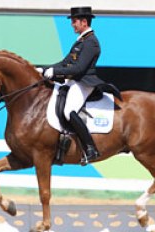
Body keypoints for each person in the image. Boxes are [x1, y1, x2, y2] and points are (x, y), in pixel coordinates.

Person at [36, 6, 121, 165]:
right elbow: (65, 62)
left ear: (84, 22)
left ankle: (90, 148)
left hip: (84, 82)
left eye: (74, 21)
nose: (72, 24)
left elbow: (79, 68)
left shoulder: (91, 42)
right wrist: (45, 69)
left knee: (69, 111)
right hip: (75, 81)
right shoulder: (80, 41)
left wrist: (55, 72)